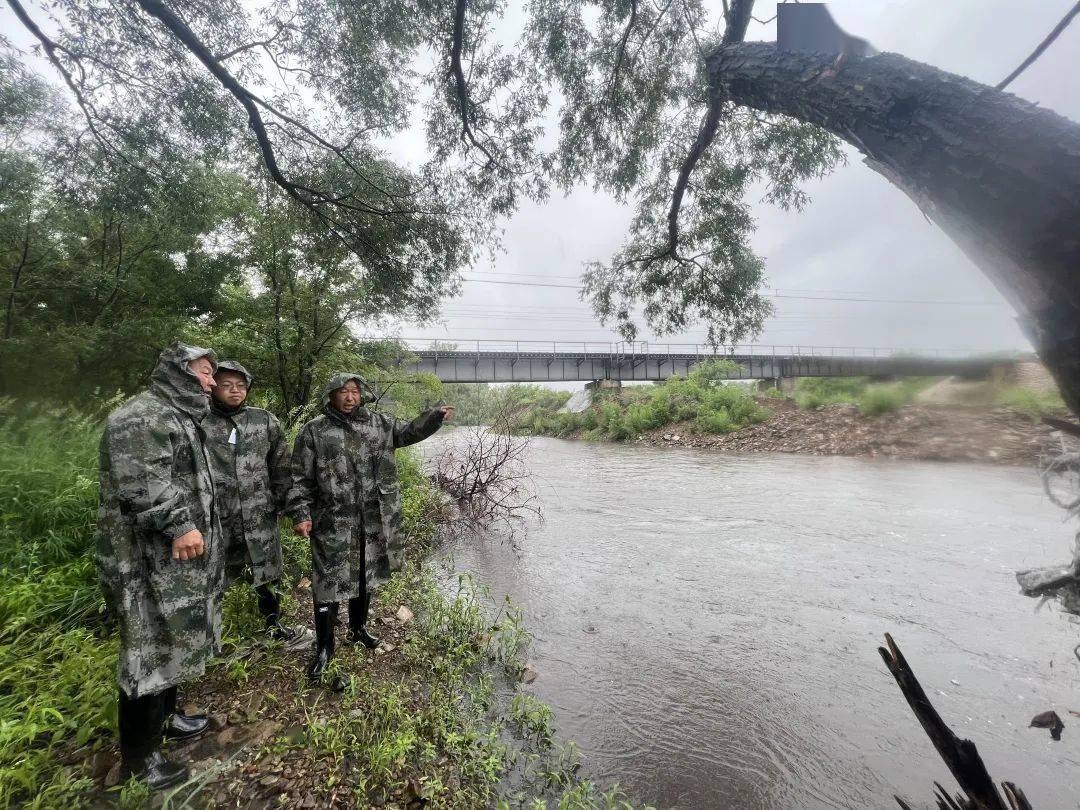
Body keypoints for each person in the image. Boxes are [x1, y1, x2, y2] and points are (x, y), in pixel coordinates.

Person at [96, 342, 224, 789]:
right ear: (179, 371)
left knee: (169, 638)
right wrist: (181, 524)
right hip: (143, 562)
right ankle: (138, 761)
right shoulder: (143, 415)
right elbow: (142, 485)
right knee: (146, 648)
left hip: (168, 558)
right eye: (206, 373)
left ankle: (168, 719)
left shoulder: (178, 417)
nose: (212, 382)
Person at [287, 374, 453, 688]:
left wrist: (434, 417)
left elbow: (407, 433)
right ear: (331, 396)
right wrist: (300, 513)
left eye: (355, 391)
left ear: (362, 394)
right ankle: (324, 649)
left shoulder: (380, 423)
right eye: (343, 392)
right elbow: (299, 477)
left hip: (373, 519)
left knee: (365, 574)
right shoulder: (314, 430)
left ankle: (357, 629)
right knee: (328, 583)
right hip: (332, 520)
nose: (350, 397)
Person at [203, 360, 297, 641]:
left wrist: (282, 503)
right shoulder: (198, 421)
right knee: (213, 574)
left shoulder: (264, 420)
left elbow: (281, 465)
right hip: (217, 516)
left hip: (259, 513)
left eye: (241, 386)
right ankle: (210, 635)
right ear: (213, 387)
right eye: (227, 385)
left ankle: (272, 622)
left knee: (268, 571)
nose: (235, 391)